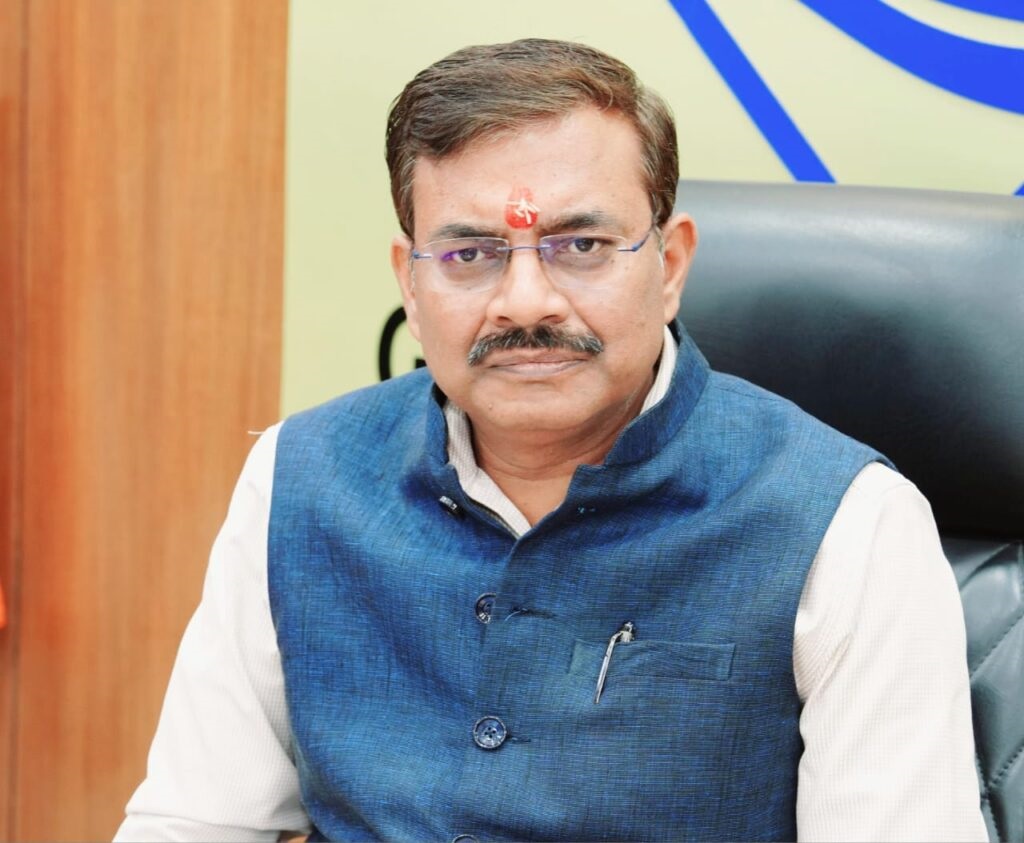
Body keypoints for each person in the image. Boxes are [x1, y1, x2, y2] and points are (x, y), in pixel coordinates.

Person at [117, 39, 987, 842]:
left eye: (581, 245)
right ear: (409, 284)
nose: (526, 301)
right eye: (470, 254)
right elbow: (193, 820)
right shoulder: (298, 480)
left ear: (670, 265)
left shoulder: (849, 524)